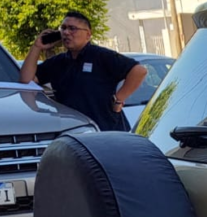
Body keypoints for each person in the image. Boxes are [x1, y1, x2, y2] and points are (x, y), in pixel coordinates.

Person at [19, 12, 148, 132]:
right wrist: (37, 47)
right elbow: (26, 80)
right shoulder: (58, 62)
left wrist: (118, 99)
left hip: (105, 130)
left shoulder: (101, 56)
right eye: (63, 28)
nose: (66, 32)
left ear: (88, 34)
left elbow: (139, 71)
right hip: (73, 131)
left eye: (72, 28)